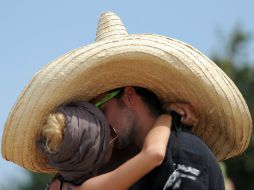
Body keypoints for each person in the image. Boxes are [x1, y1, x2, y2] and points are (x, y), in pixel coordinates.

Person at [90, 86, 225, 190]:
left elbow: (154, 153)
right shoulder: (145, 164)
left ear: (129, 96)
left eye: (101, 110)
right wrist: (169, 115)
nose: (100, 124)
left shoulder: (179, 150)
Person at [38, 101, 173, 190]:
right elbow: (154, 154)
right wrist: (167, 115)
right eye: (110, 133)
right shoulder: (89, 188)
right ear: (94, 155)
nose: (114, 140)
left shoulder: (57, 182)